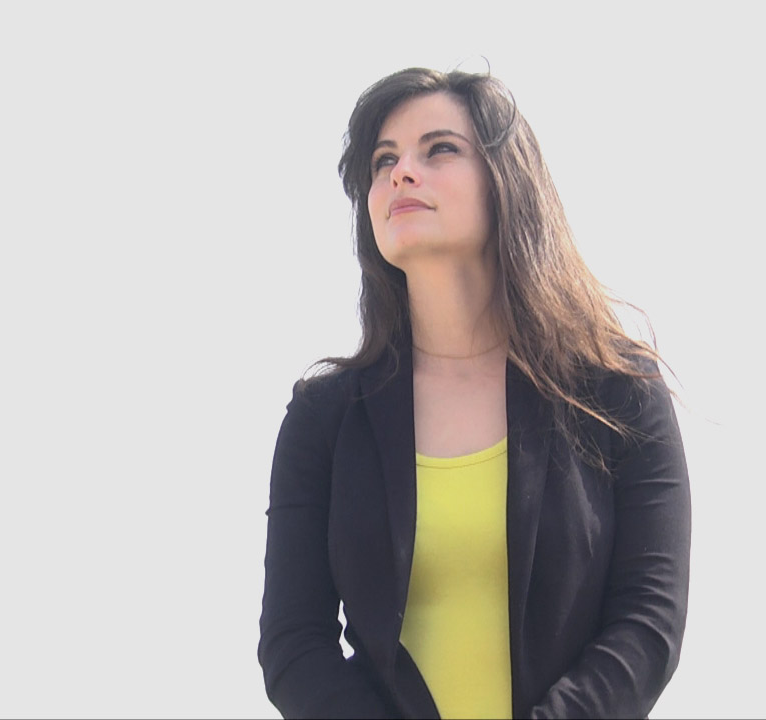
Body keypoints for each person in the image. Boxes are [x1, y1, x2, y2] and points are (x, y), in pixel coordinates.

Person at [257, 67, 691, 719]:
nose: (402, 173)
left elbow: (648, 626)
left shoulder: (619, 394)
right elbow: (293, 645)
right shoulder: (324, 418)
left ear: (505, 180)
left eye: (439, 149)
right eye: (383, 160)